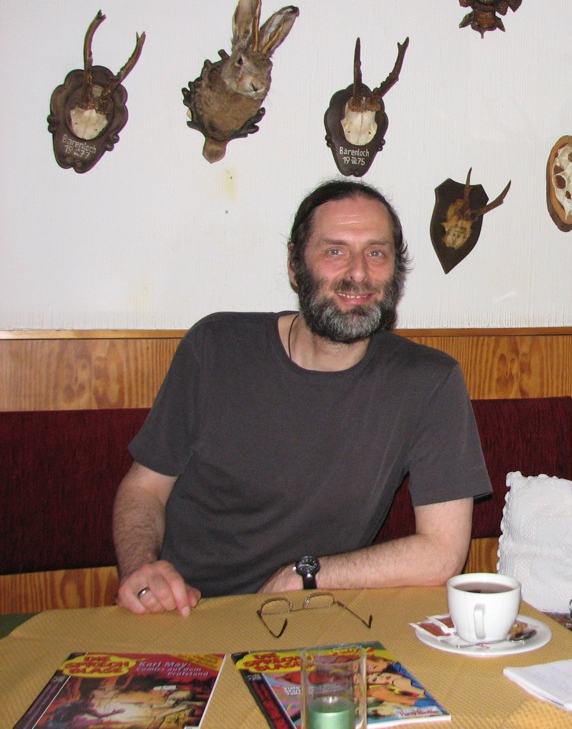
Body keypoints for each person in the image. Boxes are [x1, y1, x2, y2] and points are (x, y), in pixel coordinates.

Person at [113, 180, 491, 616]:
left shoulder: (429, 381)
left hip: (315, 615)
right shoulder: (215, 347)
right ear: (296, 266)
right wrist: (142, 569)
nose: (358, 273)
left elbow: (441, 552)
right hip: (187, 611)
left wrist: (306, 575)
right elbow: (144, 489)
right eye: (335, 251)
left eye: (376, 253)